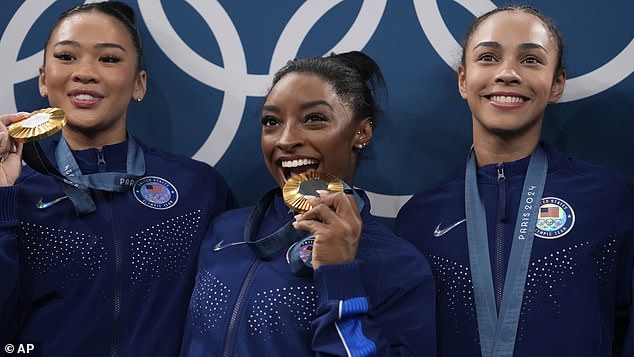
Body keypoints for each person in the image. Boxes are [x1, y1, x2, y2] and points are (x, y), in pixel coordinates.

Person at [394, 5, 634, 357]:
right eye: (488, 57)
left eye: (531, 60)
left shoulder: (610, 201)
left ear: (557, 84)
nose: (507, 73)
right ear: (463, 80)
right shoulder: (419, 218)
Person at [0, 2, 235, 356]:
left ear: (139, 84)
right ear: (43, 79)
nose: (85, 72)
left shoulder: (197, 188)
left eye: (108, 59)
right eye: (66, 56)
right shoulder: (15, 189)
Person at [179, 51, 436, 356]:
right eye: (272, 121)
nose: (285, 140)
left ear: (361, 131)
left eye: (314, 119)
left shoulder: (396, 263)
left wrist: (340, 274)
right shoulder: (224, 230)